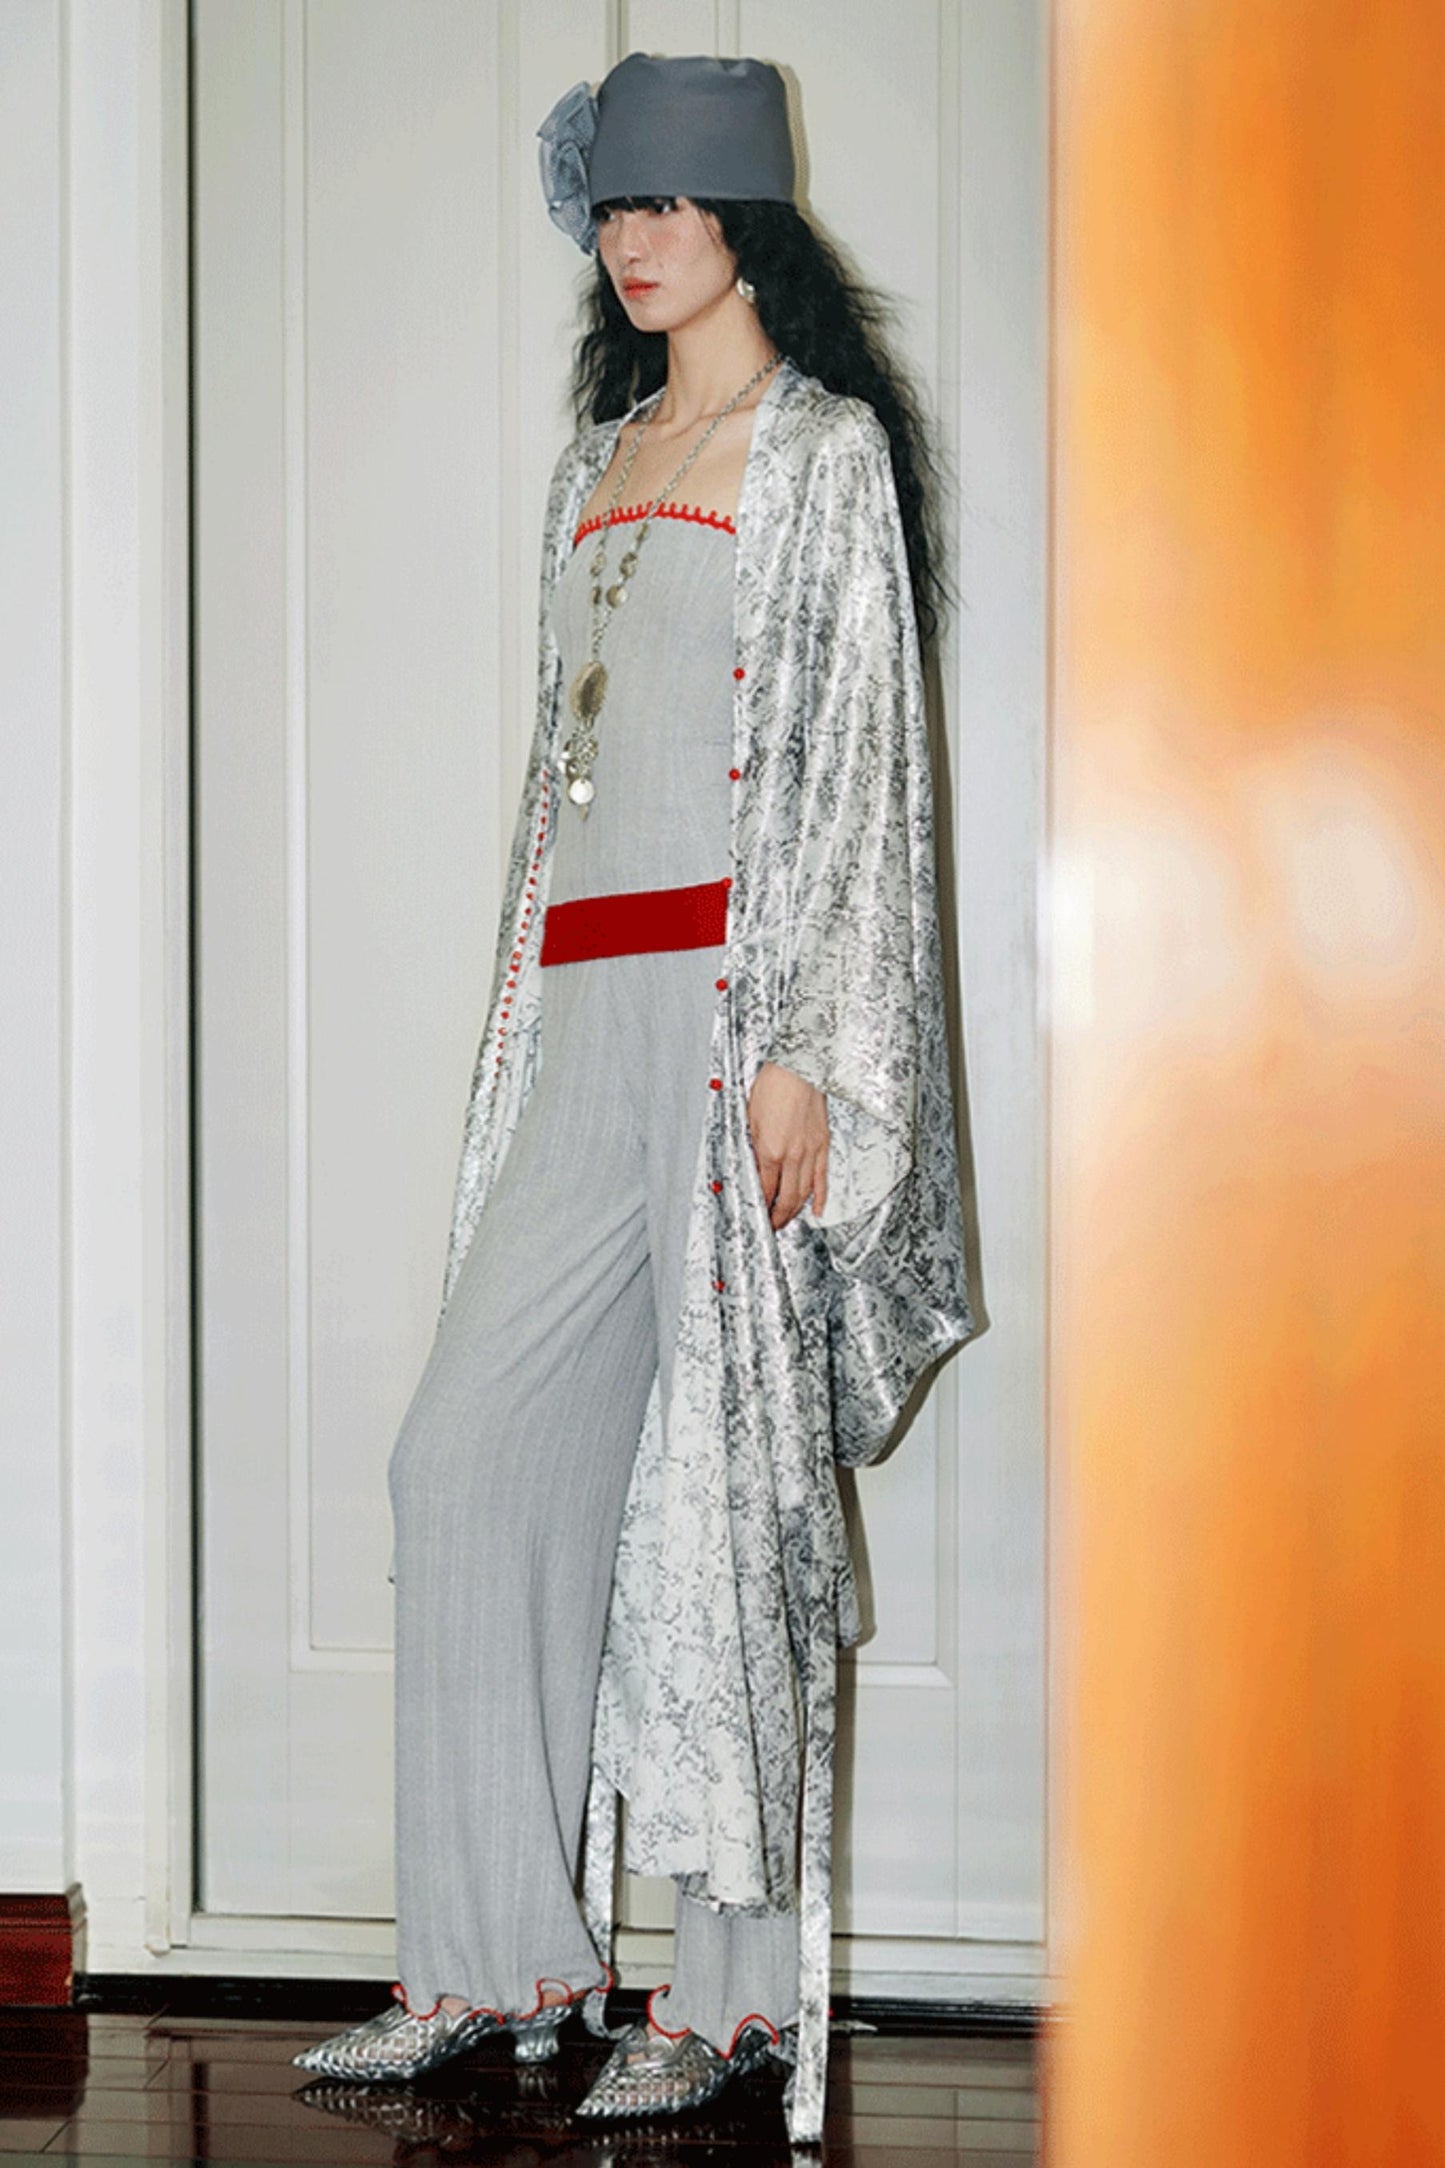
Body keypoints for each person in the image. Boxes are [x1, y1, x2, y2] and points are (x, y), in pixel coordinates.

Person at [293, 50, 974, 2147]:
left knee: (725, 1514)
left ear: (747, 219)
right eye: (614, 204)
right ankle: (492, 1957)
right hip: (582, 1022)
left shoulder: (821, 453)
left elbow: (859, 758)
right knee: (462, 1461)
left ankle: (736, 2001)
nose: (636, 238)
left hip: (731, 1023)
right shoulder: (596, 461)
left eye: (672, 203)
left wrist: (807, 1048)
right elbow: (556, 786)